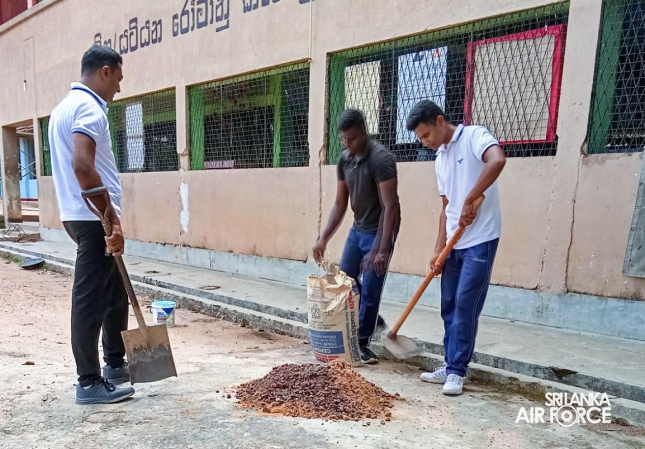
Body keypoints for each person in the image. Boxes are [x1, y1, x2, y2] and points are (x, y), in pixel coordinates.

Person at [48, 45, 134, 404]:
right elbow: (82, 166)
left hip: (77, 214)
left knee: (114, 293)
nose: (118, 87)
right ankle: (88, 382)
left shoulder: (63, 107)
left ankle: (115, 364)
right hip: (92, 217)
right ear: (104, 72)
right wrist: (109, 217)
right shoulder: (88, 108)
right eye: (118, 78)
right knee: (90, 301)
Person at [406, 100, 506, 395]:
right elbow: (446, 207)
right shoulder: (440, 158)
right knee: (449, 304)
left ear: (440, 121)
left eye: (426, 135)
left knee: (465, 303)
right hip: (453, 241)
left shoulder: (474, 136)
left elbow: (497, 161)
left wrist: (471, 198)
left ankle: (457, 372)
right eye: (420, 138)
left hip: (481, 239)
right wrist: (438, 248)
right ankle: (449, 364)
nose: (425, 142)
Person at [313, 109, 401, 365]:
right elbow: (340, 203)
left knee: (371, 288)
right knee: (346, 282)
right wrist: (323, 238)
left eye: (351, 139)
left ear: (364, 131)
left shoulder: (381, 159)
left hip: (381, 230)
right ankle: (375, 321)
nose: (347, 144)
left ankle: (362, 343)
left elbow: (390, 207)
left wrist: (380, 250)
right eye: (344, 139)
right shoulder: (344, 160)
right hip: (358, 228)